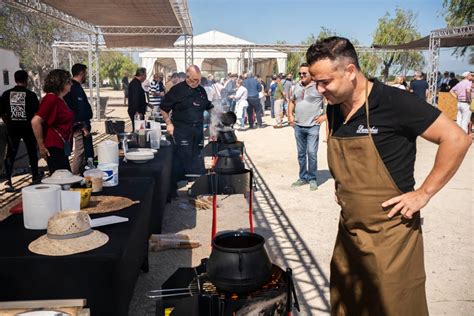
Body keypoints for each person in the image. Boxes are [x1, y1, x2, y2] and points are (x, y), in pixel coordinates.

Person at [306, 36, 471, 315]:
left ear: (350, 72)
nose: (320, 90)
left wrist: (424, 193)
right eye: (316, 82)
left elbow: (456, 138)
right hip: (349, 234)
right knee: (348, 304)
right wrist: (342, 184)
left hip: (392, 237)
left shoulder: (395, 102)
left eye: (325, 81)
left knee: (393, 307)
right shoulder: (334, 109)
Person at [160, 65, 213, 198]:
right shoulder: (176, 90)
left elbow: (208, 106)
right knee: (181, 160)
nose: (197, 82)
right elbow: (163, 108)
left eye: (199, 80)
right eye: (194, 79)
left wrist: (219, 116)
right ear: (188, 77)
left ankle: (197, 187)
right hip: (181, 130)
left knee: (198, 158)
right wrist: (169, 123)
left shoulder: (201, 91)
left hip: (198, 131)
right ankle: (175, 189)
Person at [0, 70, 41, 191]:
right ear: (26, 80)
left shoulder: (6, 94)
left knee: (10, 154)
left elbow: (2, 113)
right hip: (28, 128)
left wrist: (9, 122)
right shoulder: (31, 95)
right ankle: (35, 176)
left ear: (14, 79)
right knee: (32, 152)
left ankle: (8, 180)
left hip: (12, 128)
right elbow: (36, 114)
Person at [288, 63, 325, 191]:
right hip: (298, 126)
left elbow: (330, 102)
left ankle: (312, 178)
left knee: (312, 153)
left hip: (312, 127)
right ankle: (303, 177)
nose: (301, 76)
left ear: (311, 74)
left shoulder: (319, 87)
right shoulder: (296, 87)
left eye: (304, 73)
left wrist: (323, 117)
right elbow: (292, 102)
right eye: (300, 73)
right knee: (301, 154)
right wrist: (290, 116)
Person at [31, 69, 75, 174]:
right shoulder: (51, 99)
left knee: (64, 178)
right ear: (60, 83)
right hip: (54, 147)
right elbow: (35, 121)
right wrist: (41, 145)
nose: (71, 84)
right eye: (68, 82)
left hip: (61, 145)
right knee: (61, 179)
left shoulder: (60, 99)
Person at [63, 63, 93, 175]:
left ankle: (81, 174)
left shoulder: (77, 87)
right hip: (80, 127)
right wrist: (83, 126)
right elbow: (76, 110)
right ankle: (75, 176)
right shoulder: (74, 88)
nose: (86, 76)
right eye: (85, 73)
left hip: (83, 125)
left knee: (84, 152)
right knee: (80, 152)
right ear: (81, 73)